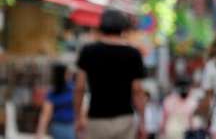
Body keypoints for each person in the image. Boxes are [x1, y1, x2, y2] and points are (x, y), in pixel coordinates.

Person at [75, 8, 147, 139]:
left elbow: (80, 88)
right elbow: (137, 91)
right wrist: (143, 122)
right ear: (123, 28)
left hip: (96, 119)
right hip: (124, 119)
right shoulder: (133, 54)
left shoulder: (88, 51)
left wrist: (78, 117)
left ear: (101, 27)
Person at [35, 63, 75, 139]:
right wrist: (40, 133)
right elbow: (46, 114)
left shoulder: (72, 89)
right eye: (67, 73)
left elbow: (45, 115)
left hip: (70, 126)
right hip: (60, 126)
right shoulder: (53, 93)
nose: (69, 75)